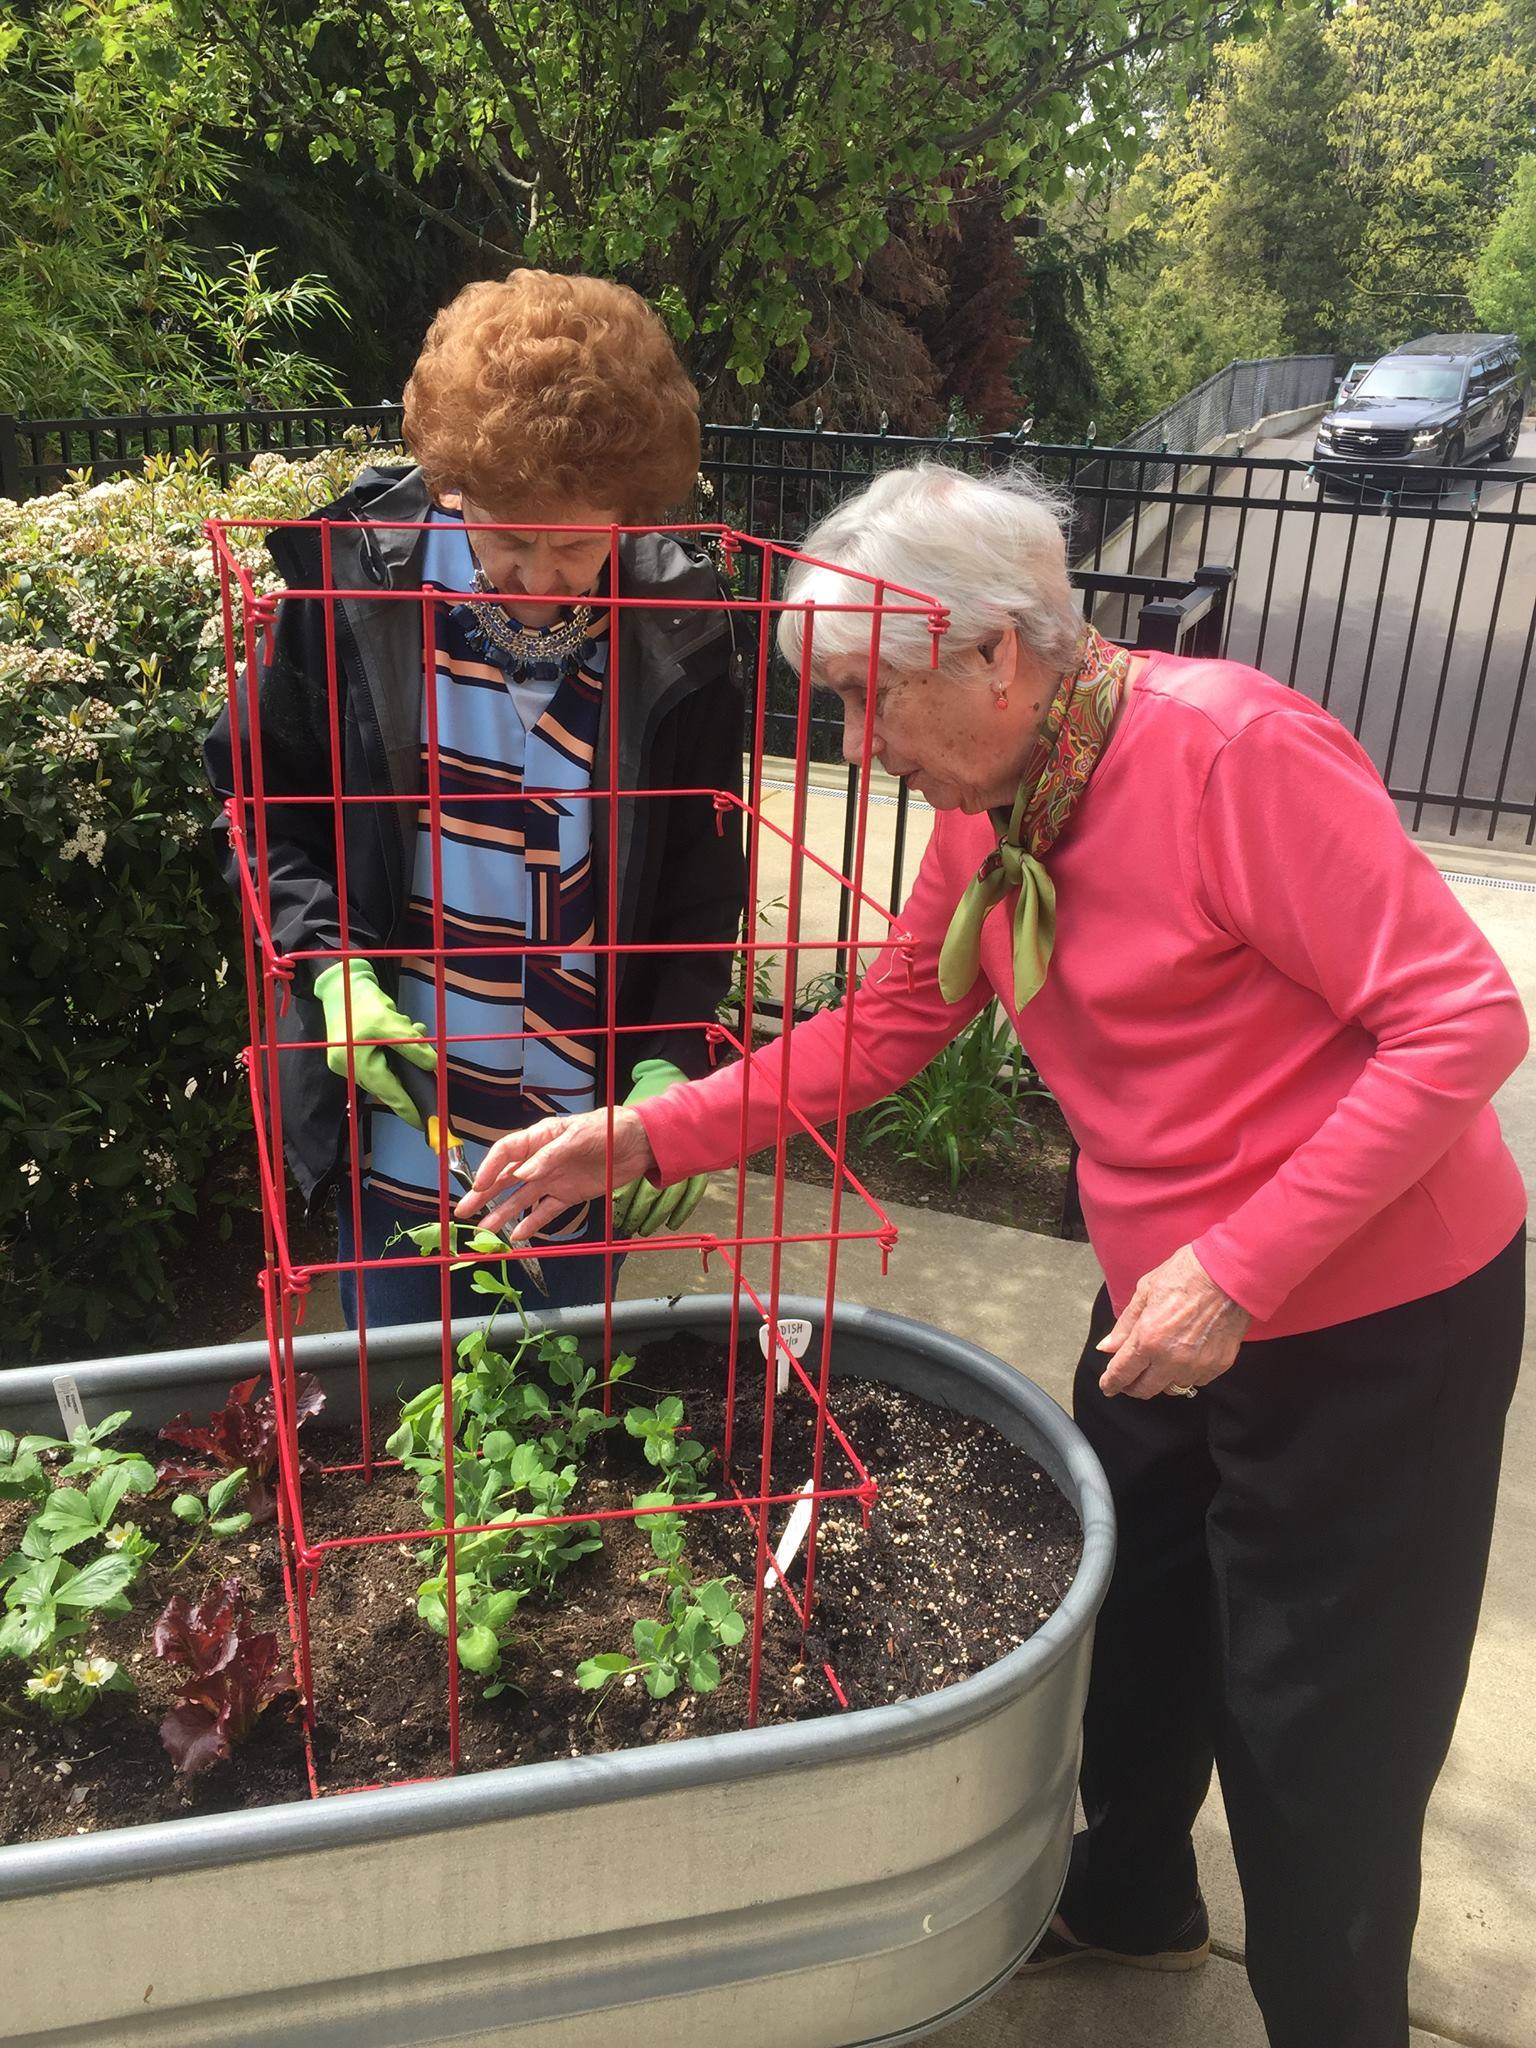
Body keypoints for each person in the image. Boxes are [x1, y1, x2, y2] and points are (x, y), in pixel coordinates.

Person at [454, 461, 1528, 2048]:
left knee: (1323, 1722)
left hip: (1367, 1309)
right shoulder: (1003, 806)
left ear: (995, 657)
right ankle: (1132, 1902)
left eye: (866, 700)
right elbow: (883, 1030)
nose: (853, 745)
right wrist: (638, 1137)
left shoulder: (1230, 750)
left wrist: (1243, 1265)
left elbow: (1465, 1019)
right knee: (1142, 1617)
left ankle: (1333, 2019)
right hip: (1164, 1294)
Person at [205, 271, 744, 1325]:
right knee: (397, 1410)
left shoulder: (686, 631)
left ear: (630, 515)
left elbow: (698, 880)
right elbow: (262, 807)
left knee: (559, 1427)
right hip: (400, 1106)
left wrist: (672, 1063)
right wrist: (330, 972)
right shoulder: (352, 588)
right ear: (454, 482)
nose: (541, 576)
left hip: (580, 1134)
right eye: (508, 536)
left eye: (579, 544)